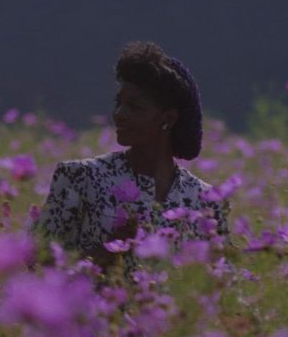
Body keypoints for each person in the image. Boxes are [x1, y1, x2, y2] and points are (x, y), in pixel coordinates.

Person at [33, 41, 229, 278]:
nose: (119, 114)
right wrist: (106, 252)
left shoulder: (205, 201)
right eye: (119, 103)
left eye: (135, 107)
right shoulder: (80, 177)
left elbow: (220, 281)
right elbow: (36, 262)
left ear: (167, 118)